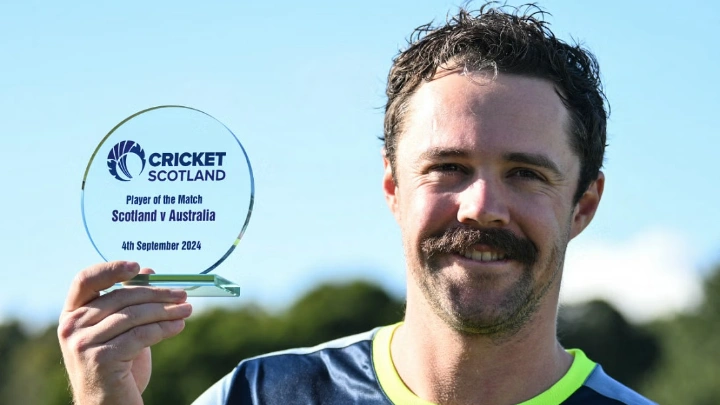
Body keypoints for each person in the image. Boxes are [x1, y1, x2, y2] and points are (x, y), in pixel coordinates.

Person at [58, 3, 657, 405]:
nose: (481, 207)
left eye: (526, 173)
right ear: (393, 187)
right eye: (448, 167)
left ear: (584, 204)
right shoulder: (261, 394)